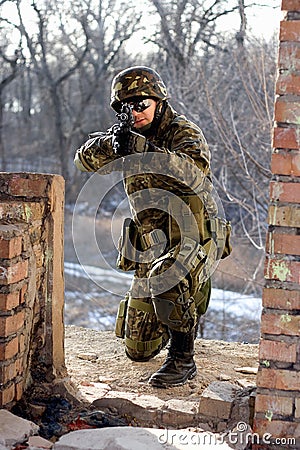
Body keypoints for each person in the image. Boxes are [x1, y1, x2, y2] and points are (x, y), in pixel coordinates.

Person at [74, 66, 231, 388]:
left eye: (141, 105)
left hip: (195, 235)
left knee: (168, 276)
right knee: (139, 350)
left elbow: (193, 173)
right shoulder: (126, 136)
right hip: (153, 242)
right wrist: (112, 146)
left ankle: (182, 359)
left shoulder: (182, 131)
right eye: (126, 108)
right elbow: (82, 161)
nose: (135, 113)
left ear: (158, 102)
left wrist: (142, 150)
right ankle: (172, 310)